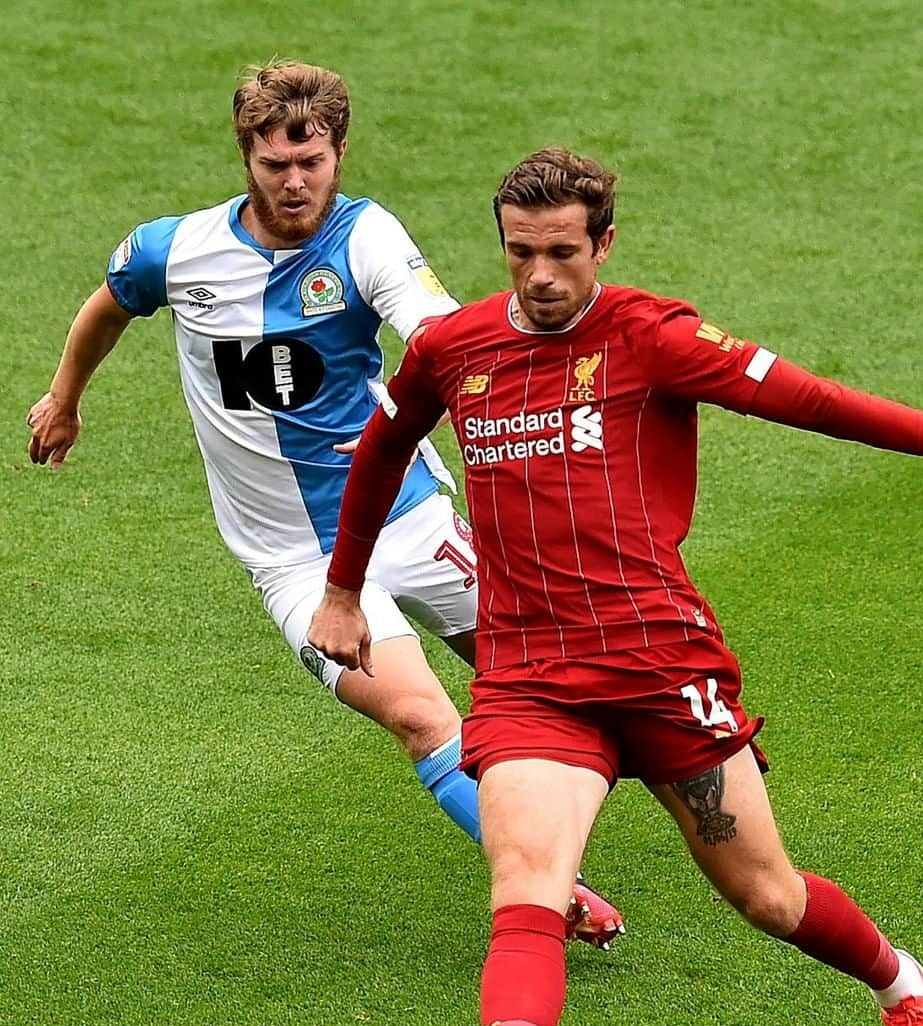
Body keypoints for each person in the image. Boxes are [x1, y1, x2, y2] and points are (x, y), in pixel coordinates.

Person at [311, 144, 923, 1026]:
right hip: (531, 676)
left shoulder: (650, 338)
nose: (539, 276)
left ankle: (903, 988)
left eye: (563, 253)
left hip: (663, 670)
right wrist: (344, 590)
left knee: (767, 895)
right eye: (521, 252)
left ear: (604, 245)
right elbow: (384, 448)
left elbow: (810, 400)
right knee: (528, 877)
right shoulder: (453, 349)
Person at [24, 71, 622, 947]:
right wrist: (64, 396)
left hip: (408, 518)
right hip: (297, 566)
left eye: (311, 161)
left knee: (558, 677)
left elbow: (435, 331)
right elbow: (109, 306)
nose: (295, 182)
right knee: (422, 716)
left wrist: (426, 408)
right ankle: (546, 883)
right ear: (247, 158)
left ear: (338, 152)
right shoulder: (175, 250)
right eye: (275, 164)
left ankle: (687, 799)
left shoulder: (366, 235)